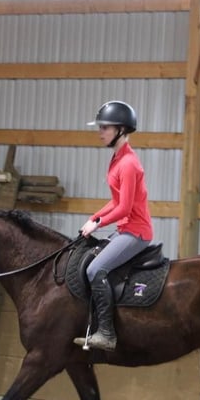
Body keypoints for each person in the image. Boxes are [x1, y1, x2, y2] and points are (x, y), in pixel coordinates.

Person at [73, 100, 154, 351]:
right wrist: (93, 217)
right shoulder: (116, 159)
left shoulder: (129, 164)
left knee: (95, 269)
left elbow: (125, 208)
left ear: (120, 129)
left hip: (137, 232)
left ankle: (107, 333)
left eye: (104, 128)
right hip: (125, 229)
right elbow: (115, 200)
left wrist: (98, 224)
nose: (100, 133)